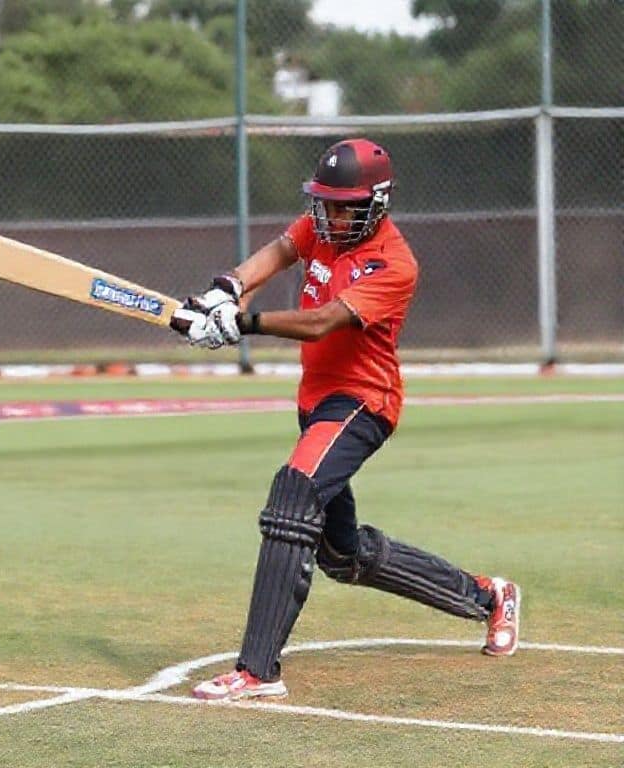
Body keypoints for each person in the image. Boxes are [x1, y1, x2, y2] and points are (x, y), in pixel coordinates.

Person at [170, 138, 520, 701]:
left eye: (343, 206)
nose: (329, 216)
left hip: (363, 401)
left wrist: (242, 323)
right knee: (340, 552)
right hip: (316, 402)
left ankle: (258, 671)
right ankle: (488, 597)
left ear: (376, 204)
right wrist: (225, 289)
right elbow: (283, 249)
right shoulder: (324, 225)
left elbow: (323, 321)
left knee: (293, 493)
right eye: (323, 203)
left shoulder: (394, 263)